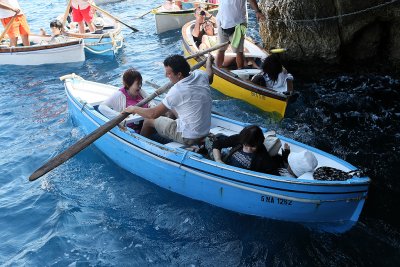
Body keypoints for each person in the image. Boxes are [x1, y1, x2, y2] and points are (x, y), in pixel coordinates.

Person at [124, 54, 214, 146]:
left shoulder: (177, 90)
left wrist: (134, 109)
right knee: (171, 110)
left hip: (189, 137)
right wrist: (209, 62)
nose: (166, 75)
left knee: (148, 120)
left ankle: (141, 145)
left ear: (179, 74)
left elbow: (153, 114)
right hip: (204, 131)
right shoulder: (200, 75)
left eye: (169, 73)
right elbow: (210, 76)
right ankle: (164, 131)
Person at [211, 125, 290, 175]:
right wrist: (218, 160)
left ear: (258, 144)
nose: (249, 149)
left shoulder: (262, 155)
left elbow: (272, 171)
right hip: (224, 165)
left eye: (253, 147)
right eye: (245, 146)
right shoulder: (240, 138)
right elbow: (217, 144)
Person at [216, 0, 265, 69]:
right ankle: (218, 69)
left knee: (239, 52)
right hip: (222, 22)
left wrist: (257, 11)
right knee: (221, 49)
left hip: (238, 24)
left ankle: (241, 71)